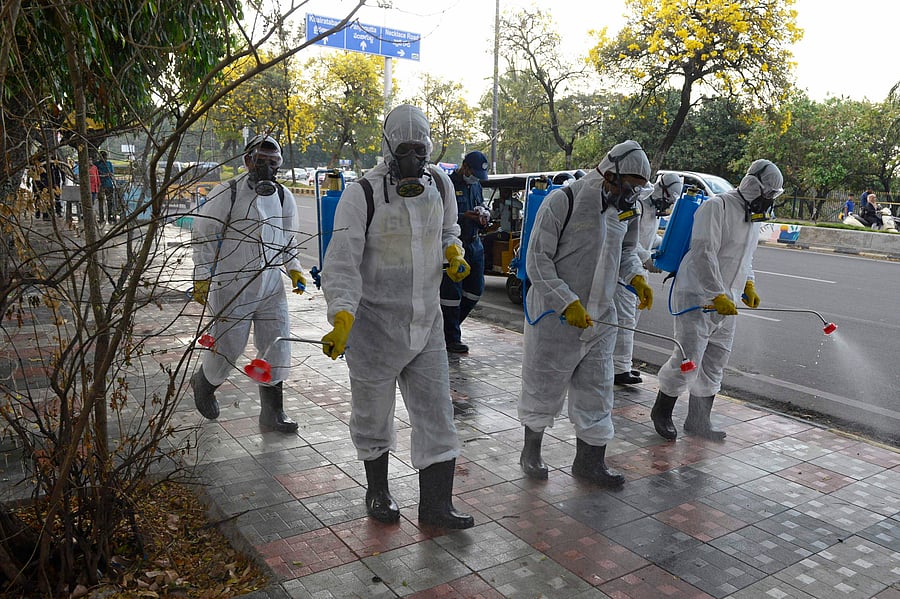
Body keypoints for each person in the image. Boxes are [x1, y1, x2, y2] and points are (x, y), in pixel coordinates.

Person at [320, 104, 474, 529]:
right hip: (372, 328)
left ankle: (436, 507)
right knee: (373, 415)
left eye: (420, 151)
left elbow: (448, 230)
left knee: (437, 413)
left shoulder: (439, 185)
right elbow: (342, 263)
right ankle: (379, 490)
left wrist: (452, 251)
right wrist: (342, 316)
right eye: (405, 151)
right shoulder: (362, 194)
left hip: (426, 326)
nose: (414, 161)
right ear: (389, 149)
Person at [517, 140, 653, 487]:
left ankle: (589, 463)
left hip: (601, 318)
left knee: (598, 390)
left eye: (639, 189)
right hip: (554, 318)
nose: (633, 195)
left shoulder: (627, 211)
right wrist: (566, 301)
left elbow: (625, 252)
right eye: (630, 186)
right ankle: (531, 451)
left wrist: (636, 276)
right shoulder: (564, 201)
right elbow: (537, 260)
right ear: (611, 174)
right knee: (543, 385)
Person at [650, 159, 784, 442]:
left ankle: (699, 421)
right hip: (698, 298)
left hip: (727, 301)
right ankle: (661, 412)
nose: (768, 200)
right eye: (767, 193)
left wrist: (748, 284)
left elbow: (746, 258)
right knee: (689, 360)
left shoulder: (751, 218)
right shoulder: (716, 207)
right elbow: (703, 252)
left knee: (715, 361)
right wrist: (716, 293)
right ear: (752, 185)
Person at [189, 135, 307, 434]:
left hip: (270, 286)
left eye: (273, 162)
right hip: (232, 285)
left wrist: (294, 270)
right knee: (228, 346)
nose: (266, 168)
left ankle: (272, 413)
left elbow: (288, 240)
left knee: (276, 345)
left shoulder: (283, 197)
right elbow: (202, 235)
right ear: (247, 161)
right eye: (260, 161)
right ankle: (204, 383)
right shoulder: (226, 193)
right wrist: (202, 277)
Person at [613, 172, 684, 385]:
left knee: (631, 321)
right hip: (625, 273)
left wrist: (665, 247)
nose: (667, 204)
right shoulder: (639, 205)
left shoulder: (652, 210)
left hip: (639, 273)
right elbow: (628, 242)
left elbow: (649, 238)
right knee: (624, 322)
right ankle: (619, 369)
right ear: (659, 188)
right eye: (667, 198)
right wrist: (648, 259)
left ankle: (621, 365)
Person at [440, 150, 490, 354]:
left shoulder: (476, 185)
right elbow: (443, 216)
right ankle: (451, 338)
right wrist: (464, 216)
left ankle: (447, 329)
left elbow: (480, 206)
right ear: (465, 167)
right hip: (455, 245)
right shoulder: (448, 184)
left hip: (475, 244)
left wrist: (483, 215)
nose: (475, 178)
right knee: (452, 294)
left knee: (475, 290)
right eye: (474, 173)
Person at [94, 151, 116, 223]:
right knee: (101, 201)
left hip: (108, 184)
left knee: (109, 201)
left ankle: (109, 216)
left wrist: (108, 175)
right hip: (101, 185)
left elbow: (111, 173)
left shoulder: (108, 164)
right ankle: (102, 218)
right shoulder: (97, 164)